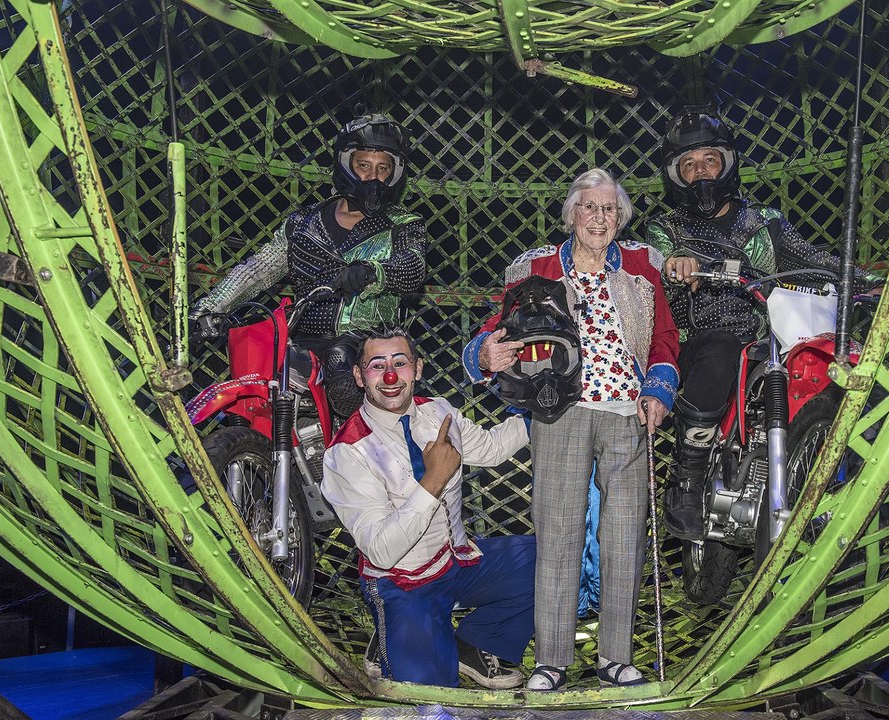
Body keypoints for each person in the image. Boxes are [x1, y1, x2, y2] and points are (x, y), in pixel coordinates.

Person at [464, 168, 679, 691]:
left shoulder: (640, 266)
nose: (600, 218)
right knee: (558, 531)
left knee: (624, 535)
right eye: (590, 207)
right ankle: (552, 660)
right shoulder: (535, 267)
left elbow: (665, 340)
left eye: (610, 210)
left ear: (621, 219)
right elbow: (496, 333)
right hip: (557, 410)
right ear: (571, 214)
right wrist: (485, 353)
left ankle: (616, 657)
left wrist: (658, 389)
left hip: (626, 411)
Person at [645, 106, 882, 542]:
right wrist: (676, 265)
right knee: (719, 348)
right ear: (676, 175)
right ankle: (688, 476)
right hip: (699, 339)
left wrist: (866, 280)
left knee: (851, 361)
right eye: (689, 165)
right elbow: (656, 275)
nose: (701, 173)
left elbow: (813, 260)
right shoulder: (666, 229)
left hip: (767, 337)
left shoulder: (764, 222)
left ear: (727, 164)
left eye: (709, 161)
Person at [321, 326, 535, 689]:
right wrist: (432, 482)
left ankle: (476, 644)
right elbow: (381, 551)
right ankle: (392, 636)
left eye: (400, 363)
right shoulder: (348, 452)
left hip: (457, 562)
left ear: (417, 370)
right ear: (360, 377)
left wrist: (542, 414)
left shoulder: (438, 411)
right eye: (377, 366)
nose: (390, 377)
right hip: (403, 584)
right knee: (432, 697)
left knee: (555, 559)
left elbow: (491, 448)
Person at [191, 113, 427, 419]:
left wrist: (374, 272)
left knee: (345, 376)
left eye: (383, 169)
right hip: (300, 338)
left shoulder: (403, 225)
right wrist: (211, 306)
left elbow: (413, 266)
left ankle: (373, 453)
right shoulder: (304, 223)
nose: (373, 177)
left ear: (394, 174)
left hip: (366, 342)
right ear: (346, 164)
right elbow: (259, 268)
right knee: (254, 378)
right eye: (363, 165)